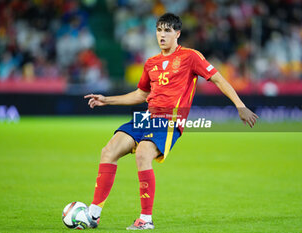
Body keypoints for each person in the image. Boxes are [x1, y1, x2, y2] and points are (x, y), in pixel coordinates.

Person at [84, 13, 258, 230]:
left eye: (167, 30)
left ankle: (145, 219)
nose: (162, 35)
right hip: (146, 117)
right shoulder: (151, 63)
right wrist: (106, 100)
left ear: (178, 33)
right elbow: (141, 95)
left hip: (168, 120)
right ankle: (93, 215)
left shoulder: (191, 57)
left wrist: (240, 106)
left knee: (142, 153)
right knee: (108, 151)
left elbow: (218, 79)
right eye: (159, 30)